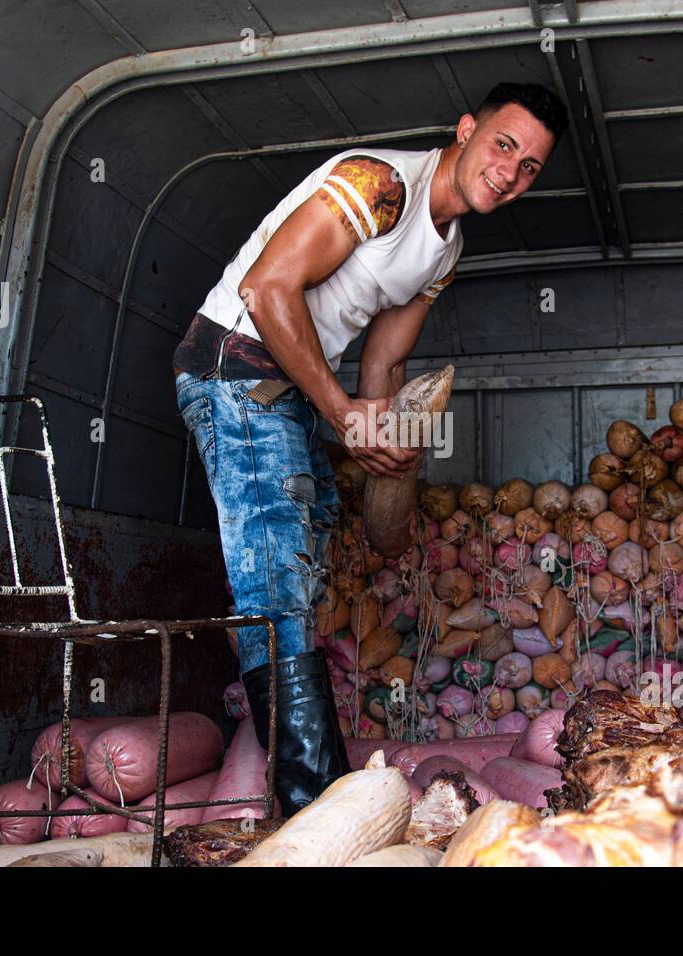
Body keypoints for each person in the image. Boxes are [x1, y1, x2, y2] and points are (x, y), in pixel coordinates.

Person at [172, 82, 567, 814]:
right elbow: (268, 289)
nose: (510, 173)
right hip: (235, 369)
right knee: (276, 576)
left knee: (310, 549)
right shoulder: (379, 185)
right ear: (467, 129)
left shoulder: (445, 251)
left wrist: (381, 437)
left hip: (289, 392)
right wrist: (343, 414)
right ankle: (310, 805)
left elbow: (382, 365)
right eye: (504, 146)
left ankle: (308, 790)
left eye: (531, 167)